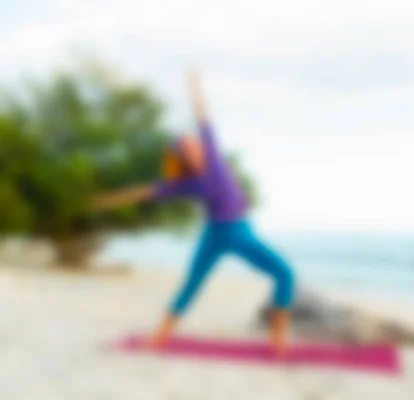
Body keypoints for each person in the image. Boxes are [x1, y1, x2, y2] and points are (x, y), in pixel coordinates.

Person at [94, 70, 295, 356]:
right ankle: (159, 337)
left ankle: (279, 341)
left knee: (284, 274)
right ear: (184, 156)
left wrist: (194, 83)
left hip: (237, 231)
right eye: (188, 145)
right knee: (192, 284)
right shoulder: (185, 183)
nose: (195, 143)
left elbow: (202, 112)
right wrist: (107, 201)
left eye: (193, 141)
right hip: (217, 234)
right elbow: (145, 191)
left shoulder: (211, 152)